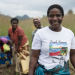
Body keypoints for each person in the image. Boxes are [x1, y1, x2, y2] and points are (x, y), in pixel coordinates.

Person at [28, 4, 75, 75]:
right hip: (43, 73)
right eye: (51, 16)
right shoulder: (40, 33)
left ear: (62, 17)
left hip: (63, 72)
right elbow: (34, 56)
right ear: (48, 17)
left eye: (58, 15)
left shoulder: (69, 33)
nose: (55, 18)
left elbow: (73, 55)